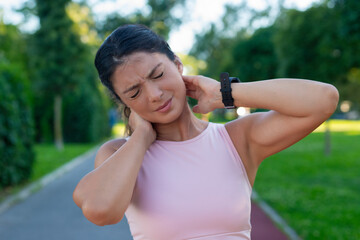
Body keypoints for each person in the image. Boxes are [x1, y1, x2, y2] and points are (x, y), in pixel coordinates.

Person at [73, 24, 339, 240]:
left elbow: (324, 100)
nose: (154, 95)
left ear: (178, 65)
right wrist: (141, 137)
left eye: (158, 74)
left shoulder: (235, 138)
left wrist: (225, 93)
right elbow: (101, 211)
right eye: (134, 92)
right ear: (124, 102)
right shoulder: (119, 154)